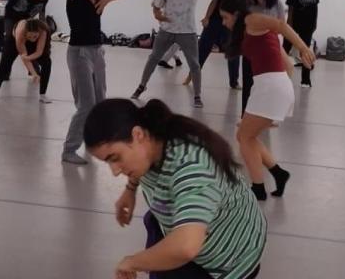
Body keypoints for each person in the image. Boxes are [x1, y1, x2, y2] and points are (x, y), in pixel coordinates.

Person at [85, 99, 266, 279]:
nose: (115, 171)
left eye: (115, 158)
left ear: (138, 134)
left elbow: (186, 246)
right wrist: (130, 189)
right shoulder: (152, 140)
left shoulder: (192, 166)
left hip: (228, 259)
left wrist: (132, 262)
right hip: (185, 231)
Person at [221, 0, 314, 200]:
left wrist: (303, 48)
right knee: (246, 136)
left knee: (244, 137)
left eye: (225, 17)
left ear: (236, 14)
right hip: (270, 87)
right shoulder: (257, 33)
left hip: (270, 87)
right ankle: (278, 174)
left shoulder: (250, 20)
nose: (224, 22)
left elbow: (281, 24)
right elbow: (288, 66)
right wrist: (278, 96)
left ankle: (258, 187)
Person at [61, 0, 130, 165]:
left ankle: (93, 143)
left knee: (100, 101)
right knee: (86, 104)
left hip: (97, 51)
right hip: (79, 53)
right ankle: (69, 150)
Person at [132, 0, 216, 108]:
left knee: (194, 64)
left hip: (187, 31)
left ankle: (197, 95)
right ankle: (141, 85)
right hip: (167, 30)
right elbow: (156, 7)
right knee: (153, 58)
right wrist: (159, 16)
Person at [187, 0, 249, 90]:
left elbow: (245, 8)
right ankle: (191, 75)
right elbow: (214, 2)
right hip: (215, 21)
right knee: (203, 48)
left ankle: (234, 82)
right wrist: (206, 18)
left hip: (231, 24)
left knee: (233, 52)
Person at [0, 0, 50, 81]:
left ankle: (33, 70)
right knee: (10, 41)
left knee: (31, 42)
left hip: (26, 19)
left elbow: (42, 15)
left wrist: (43, 28)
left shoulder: (44, 0)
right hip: (11, 17)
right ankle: (5, 71)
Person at [241, 0, 285, 112]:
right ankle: (245, 113)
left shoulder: (277, 4)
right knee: (248, 83)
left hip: (269, 47)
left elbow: (281, 25)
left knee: (267, 83)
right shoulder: (249, 4)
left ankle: (266, 114)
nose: (261, 0)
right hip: (251, 46)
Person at [0, 18, 53, 103]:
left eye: (35, 36)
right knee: (5, 64)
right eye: (30, 36)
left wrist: (28, 58)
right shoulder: (20, 32)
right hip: (14, 41)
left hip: (33, 41)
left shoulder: (43, 31)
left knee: (47, 62)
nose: (32, 39)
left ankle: (42, 95)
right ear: (26, 33)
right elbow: (23, 55)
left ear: (38, 32)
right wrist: (34, 73)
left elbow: (39, 52)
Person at [284, 0, 320, 88]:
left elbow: (315, 7)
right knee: (285, 49)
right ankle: (280, 74)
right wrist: (289, 23)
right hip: (294, 24)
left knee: (305, 51)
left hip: (308, 25)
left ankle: (306, 80)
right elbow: (291, 8)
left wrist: (315, 22)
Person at [156, 0, 184, 70]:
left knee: (171, 42)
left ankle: (176, 58)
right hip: (171, 20)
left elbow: (155, 3)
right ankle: (164, 60)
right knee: (177, 42)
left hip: (166, 18)